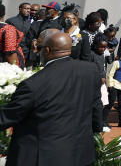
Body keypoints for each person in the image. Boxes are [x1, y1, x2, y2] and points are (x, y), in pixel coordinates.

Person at [0, 32, 103, 166]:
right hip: (79, 153)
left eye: (39, 48)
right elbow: (96, 105)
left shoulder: (34, 84)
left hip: (43, 157)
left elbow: (7, 116)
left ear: (47, 50)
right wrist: (97, 131)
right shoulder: (90, 70)